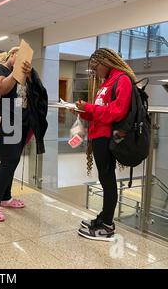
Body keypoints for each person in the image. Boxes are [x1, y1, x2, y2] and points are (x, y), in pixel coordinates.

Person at [76, 48, 134, 241]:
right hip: (99, 135)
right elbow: (99, 110)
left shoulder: (122, 79)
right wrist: (83, 111)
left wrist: (90, 107)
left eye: (96, 67)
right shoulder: (107, 82)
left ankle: (107, 225)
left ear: (107, 62)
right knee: (104, 178)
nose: (95, 71)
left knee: (108, 180)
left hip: (110, 137)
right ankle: (103, 218)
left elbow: (117, 111)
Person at [0, 47, 33, 222]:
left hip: (20, 123)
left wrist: (29, 76)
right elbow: (1, 89)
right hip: (2, 122)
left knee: (13, 161)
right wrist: (15, 72)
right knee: (9, 161)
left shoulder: (23, 74)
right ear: (12, 55)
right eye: (20, 57)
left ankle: (6, 197)